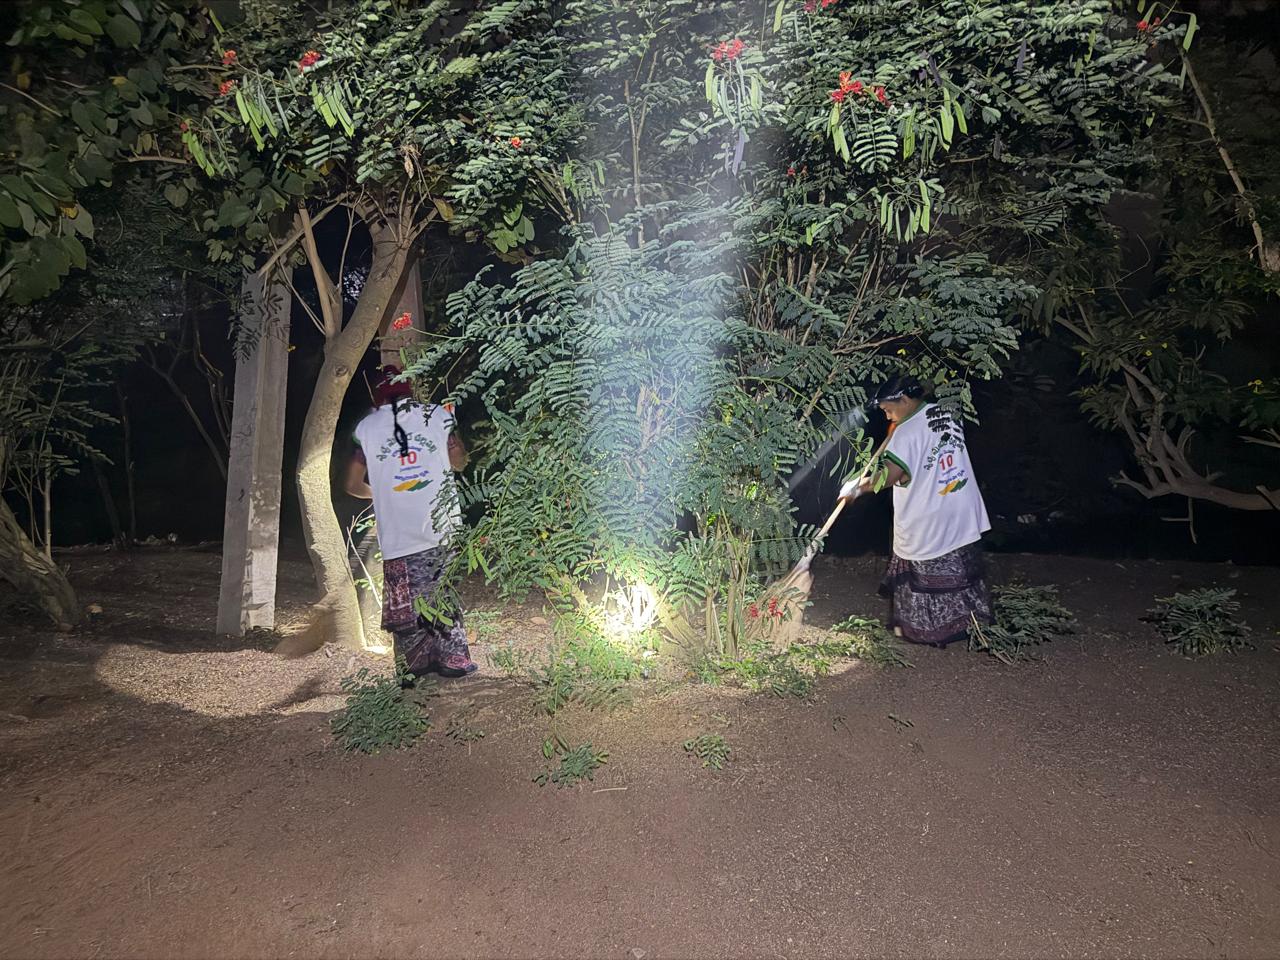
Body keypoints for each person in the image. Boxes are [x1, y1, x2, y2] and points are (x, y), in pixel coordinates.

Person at [839, 375, 992, 647]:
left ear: (904, 400)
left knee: (924, 572)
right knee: (961, 571)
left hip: (930, 515)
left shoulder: (906, 433)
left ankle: (928, 632)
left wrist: (858, 488)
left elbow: (892, 475)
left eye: (889, 410)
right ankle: (969, 626)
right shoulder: (945, 414)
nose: (888, 416)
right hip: (960, 506)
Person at [345, 366, 477, 678]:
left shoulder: (366, 428)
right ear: (409, 389)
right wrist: (453, 444)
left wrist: (382, 495)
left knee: (406, 605)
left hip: (397, 535)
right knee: (443, 593)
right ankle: (453, 661)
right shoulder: (437, 416)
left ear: (376, 396)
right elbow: (459, 462)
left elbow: (351, 484)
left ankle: (412, 668)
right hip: (442, 528)